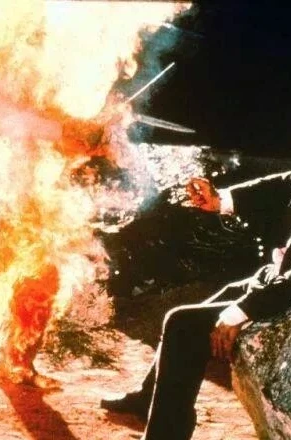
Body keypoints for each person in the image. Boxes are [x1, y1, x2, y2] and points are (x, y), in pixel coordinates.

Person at [101, 172, 291, 440]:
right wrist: (220, 199)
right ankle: (148, 399)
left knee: (182, 323)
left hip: (285, 296)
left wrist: (242, 311)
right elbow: (282, 185)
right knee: (227, 294)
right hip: (278, 275)